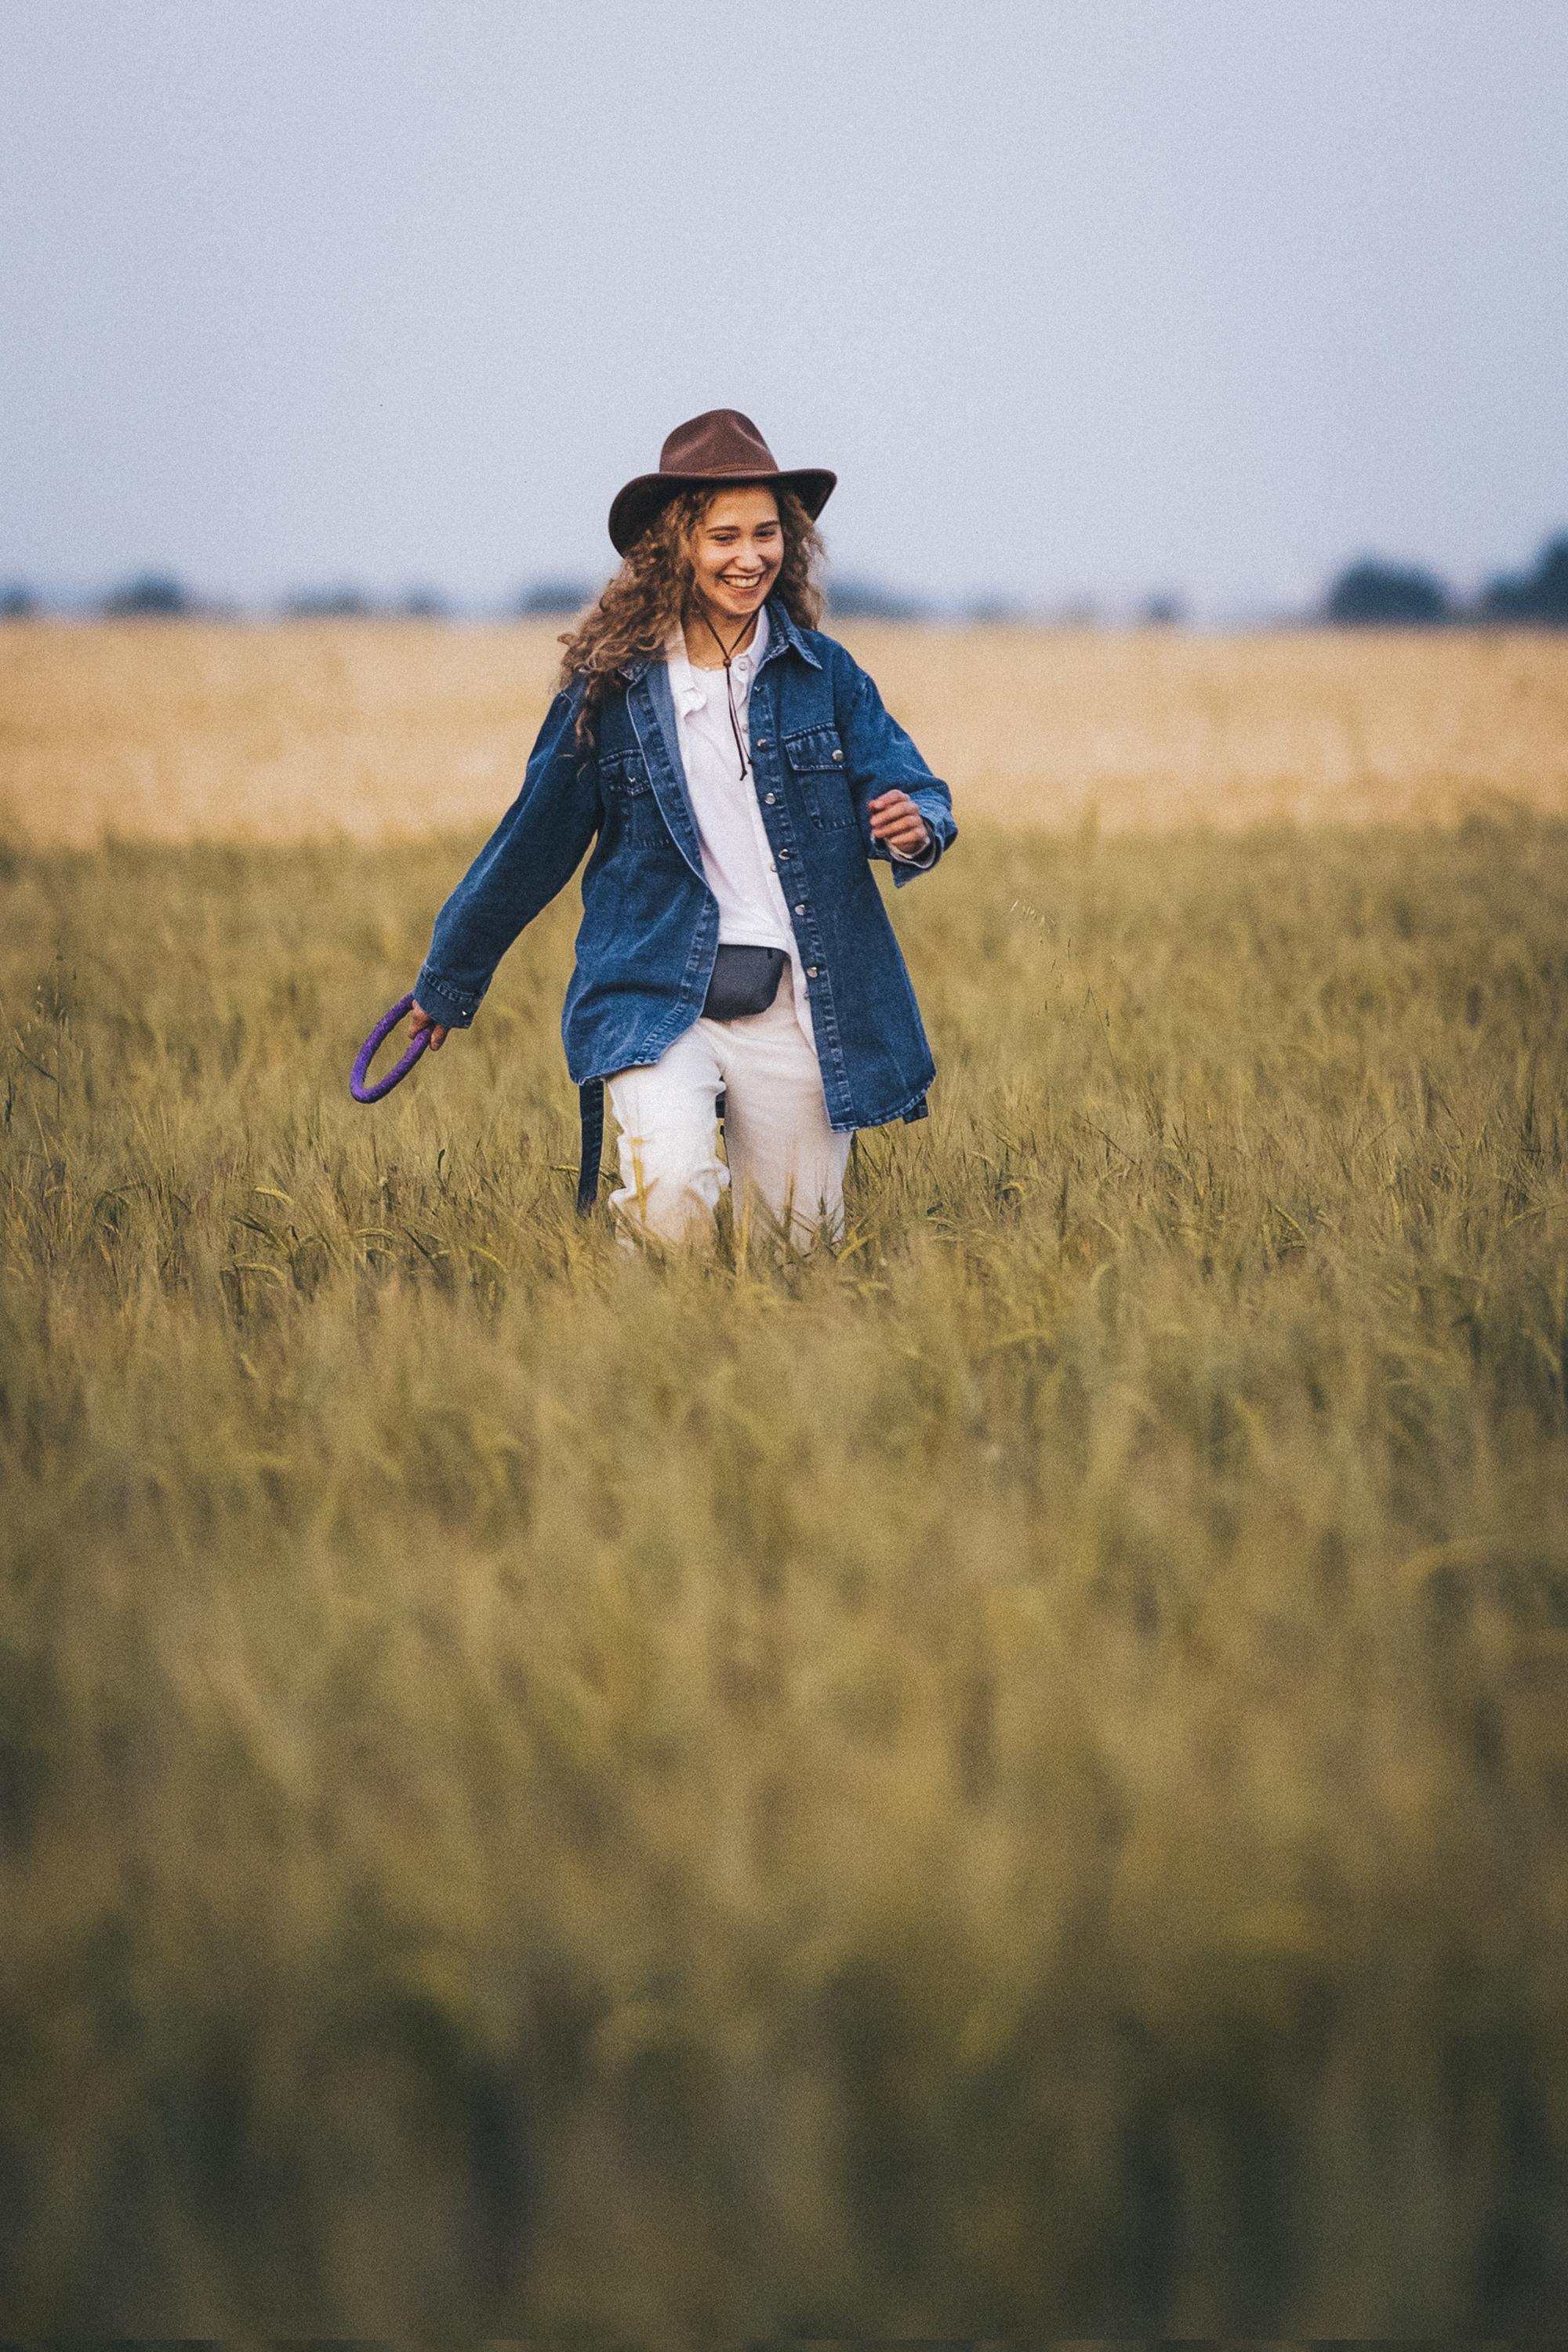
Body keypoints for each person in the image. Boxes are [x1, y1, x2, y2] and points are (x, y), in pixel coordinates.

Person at [408, 408, 955, 1249]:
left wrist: (911, 828)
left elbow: (910, 787)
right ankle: (638, 1364)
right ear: (676, 546)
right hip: (654, 994)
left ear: (791, 540)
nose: (749, 558)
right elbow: (533, 840)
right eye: (723, 536)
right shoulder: (611, 691)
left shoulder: (825, 675)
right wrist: (451, 976)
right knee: (669, 1202)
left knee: (795, 1252)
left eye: (767, 534)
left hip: (798, 1003)